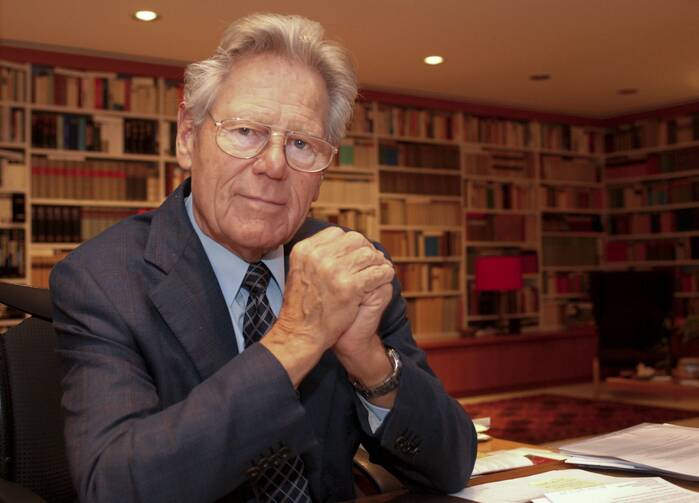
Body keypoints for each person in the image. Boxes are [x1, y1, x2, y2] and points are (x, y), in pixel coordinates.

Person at [50, 13, 476, 502]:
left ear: (323, 168)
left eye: (301, 143)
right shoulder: (102, 280)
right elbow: (114, 488)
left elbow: (451, 465)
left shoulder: (349, 268)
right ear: (188, 137)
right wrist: (298, 338)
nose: (274, 166)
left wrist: (369, 362)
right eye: (247, 131)